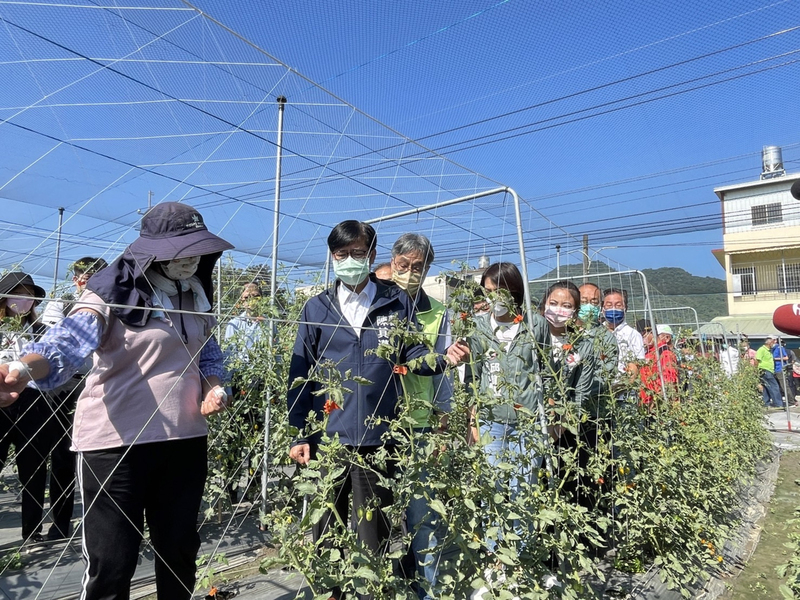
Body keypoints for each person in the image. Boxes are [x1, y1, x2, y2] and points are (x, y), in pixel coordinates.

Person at [0, 202, 233, 599]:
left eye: (197, 249)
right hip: (116, 445)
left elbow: (207, 353)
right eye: (182, 249)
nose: (190, 258)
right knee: (112, 561)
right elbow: (68, 342)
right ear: (151, 251)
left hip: (184, 441)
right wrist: (22, 369)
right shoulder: (111, 292)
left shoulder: (195, 295)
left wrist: (214, 386)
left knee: (179, 551)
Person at [287, 220, 467, 600]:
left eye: (357, 253)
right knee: (326, 528)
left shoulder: (393, 301)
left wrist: (443, 360)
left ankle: (371, 593)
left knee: (375, 532)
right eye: (341, 254)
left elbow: (413, 354)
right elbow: (299, 373)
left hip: (378, 437)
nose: (350, 260)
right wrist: (300, 433)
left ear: (371, 255)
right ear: (332, 257)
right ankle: (330, 593)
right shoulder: (316, 308)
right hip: (328, 438)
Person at [386, 233, 453, 600]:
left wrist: (444, 414)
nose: (410, 272)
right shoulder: (377, 303)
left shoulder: (436, 312)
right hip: (378, 421)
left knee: (423, 513)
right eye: (404, 265)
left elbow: (443, 368)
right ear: (392, 262)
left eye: (418, 267)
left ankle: (427, 589)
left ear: (427, 269)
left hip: (420, 421)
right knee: (378, 512)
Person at [43, 257, 107, 541]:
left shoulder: (114, 302)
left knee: (99, 457)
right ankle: (61, 522)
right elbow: (56, 340)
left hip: (99, 386)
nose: (88, 279)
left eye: (95, 275)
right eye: (85, 275)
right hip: (64, 390)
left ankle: (100, 520)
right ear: (76, 278)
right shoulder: (63, 302)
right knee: (61, 457)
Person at [0, 272, 51, 546]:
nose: (25, 300)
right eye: (18, 293)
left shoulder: (42, 332)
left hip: (33, 403)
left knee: (33, 469)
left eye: (29, 295)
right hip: (1, 402)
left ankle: (32, 532)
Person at [41, 257, 108, 327]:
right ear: (75, 279)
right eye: (87, 279)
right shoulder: (60, 304)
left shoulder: (111, 306)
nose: (93, 283)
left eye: (99, 280)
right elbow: (54, 333)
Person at [602, 288, 645, 382]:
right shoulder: (597, 332)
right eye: (609, 305)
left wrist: (621, 387)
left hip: (622, 392)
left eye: (618, 305)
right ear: (603, 309)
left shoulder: (633, 335)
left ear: (625, 309)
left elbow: (637, 365)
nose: (613, 309)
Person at [639, 324, 679, 404]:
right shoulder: (649, 353)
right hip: (646, 401)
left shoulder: (665, 354)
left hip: (656, 403)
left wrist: (657, 402)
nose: (642, 339)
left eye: (644, 335)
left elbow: (669, 382)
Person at [756, 337, 783, 408]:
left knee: (766, 387)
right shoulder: (762, 350)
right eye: (772, 343)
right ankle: (778, 404)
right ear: (769, 343)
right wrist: (756, 370)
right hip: (764, 370)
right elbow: (757, 360)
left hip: (768, 370)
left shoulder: (769, 350)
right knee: (774, 387)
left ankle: (766, 403)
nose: (773, 344)